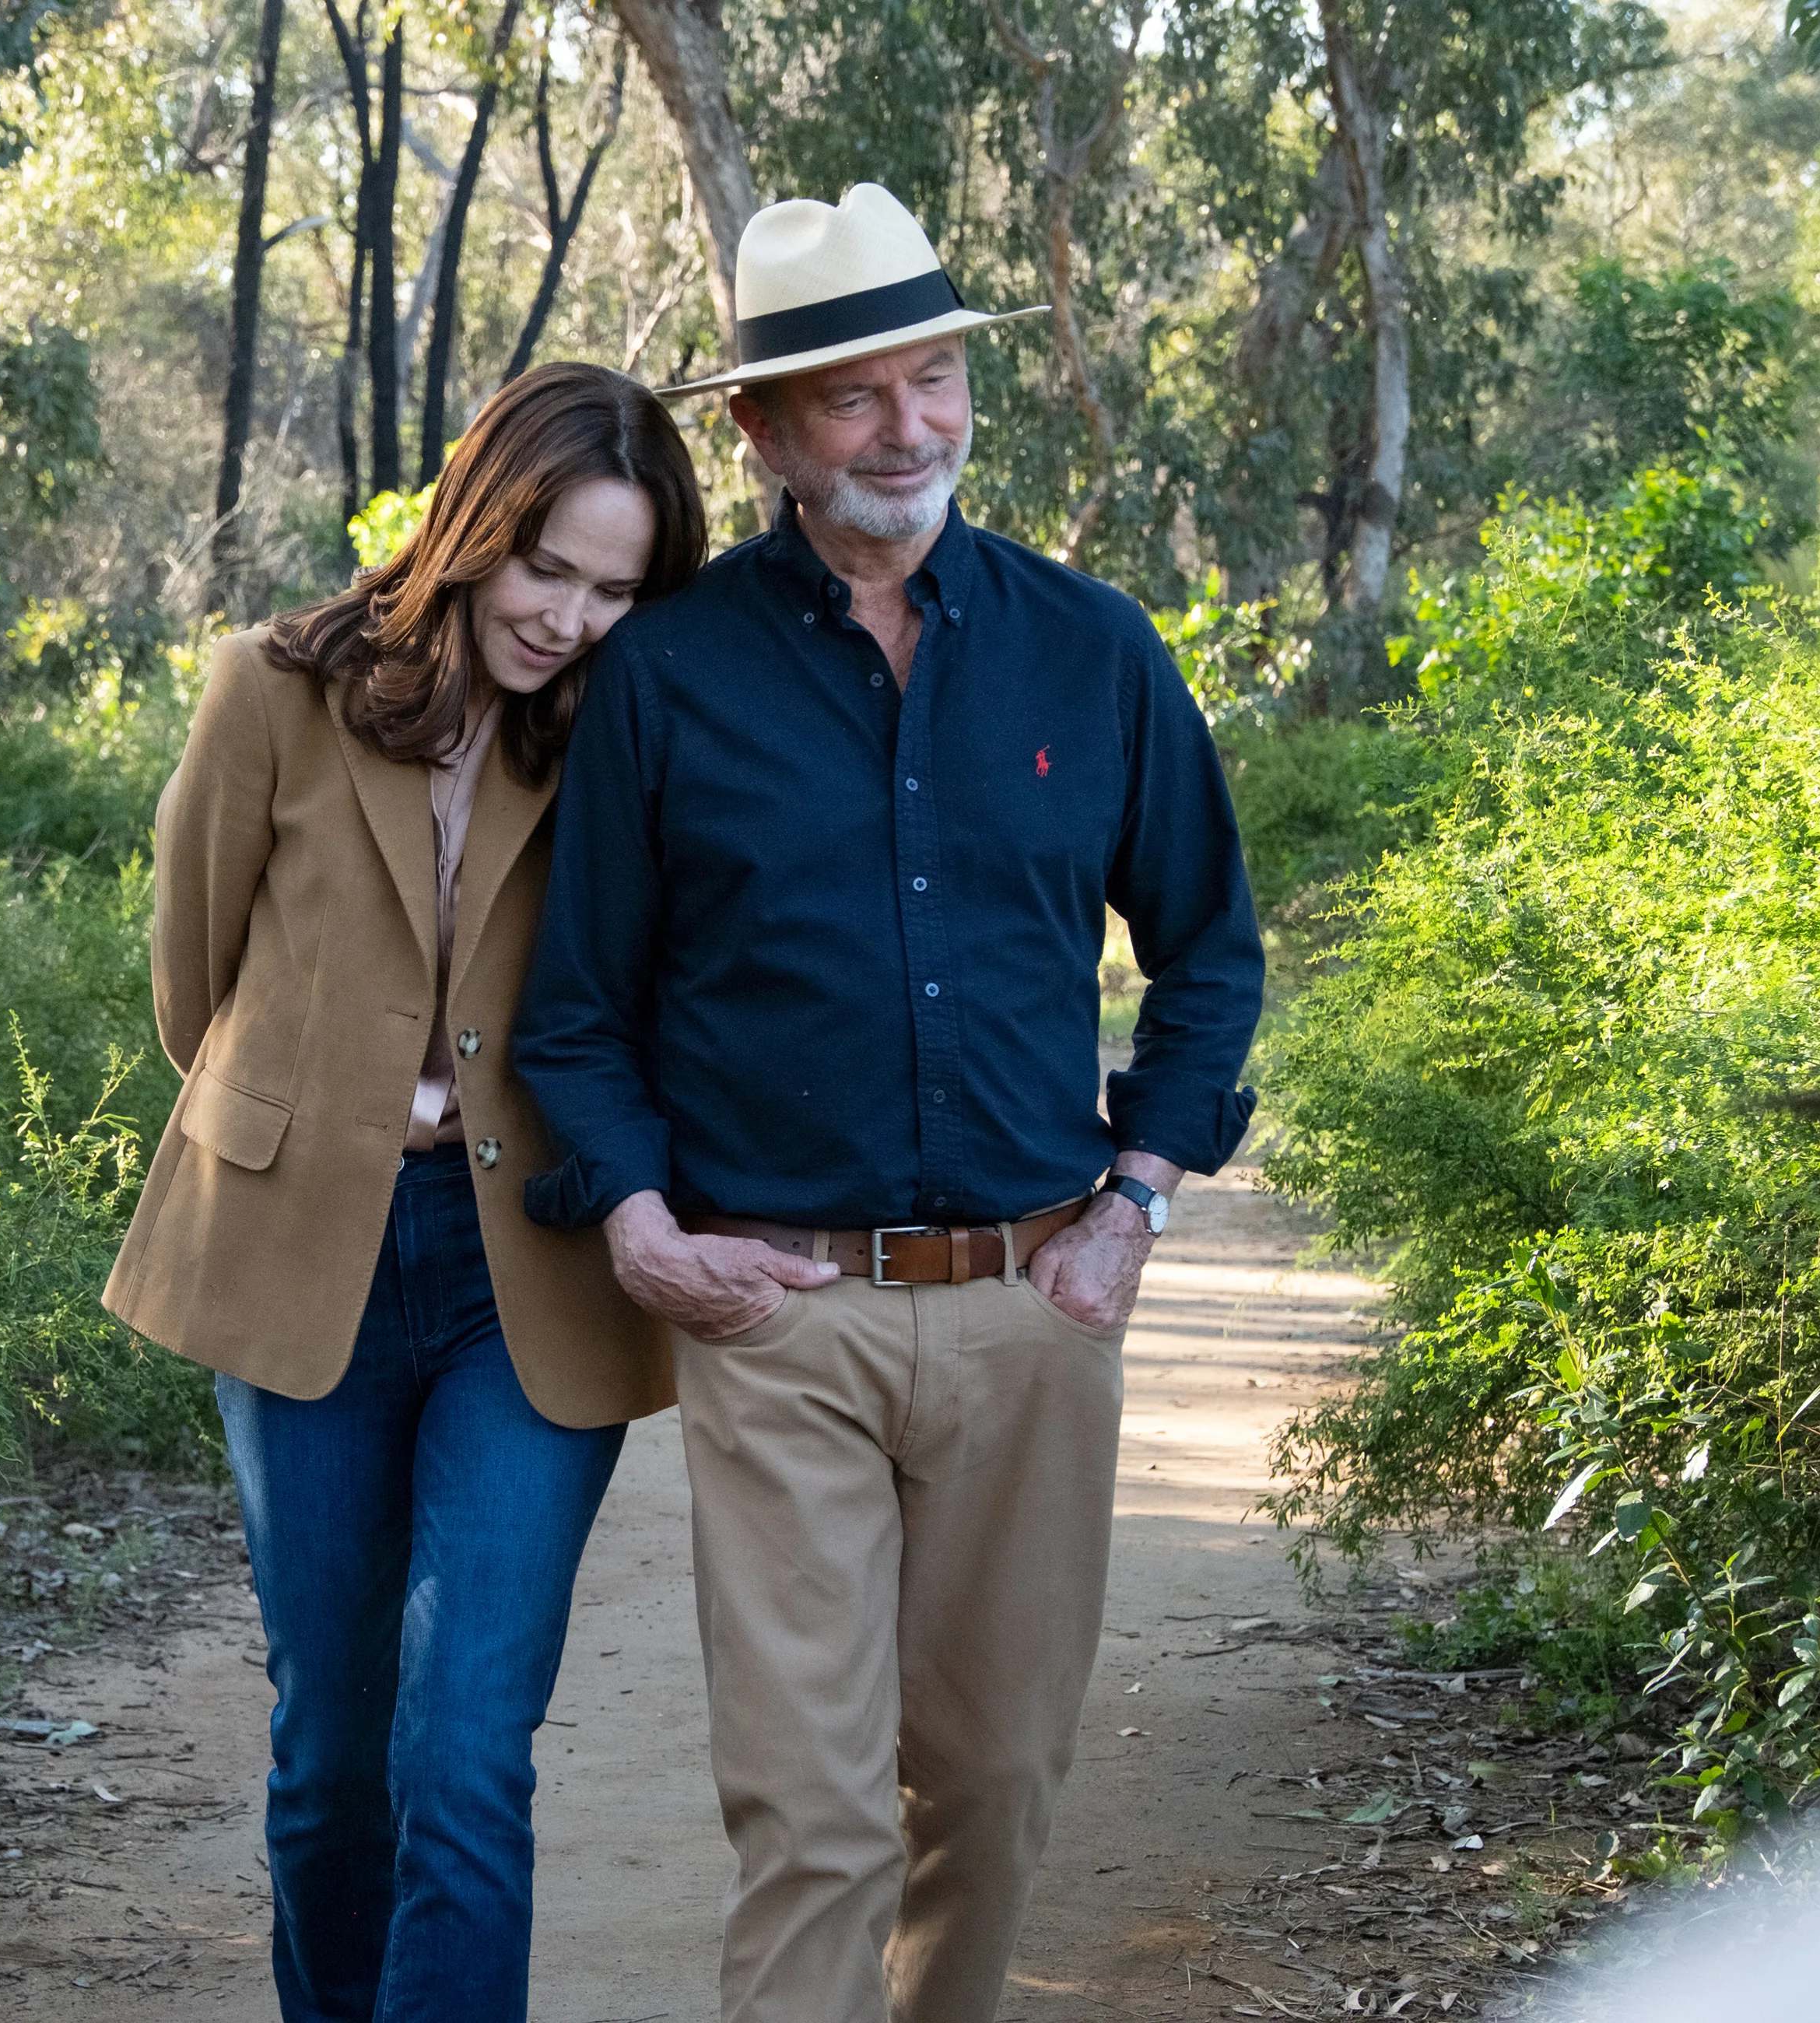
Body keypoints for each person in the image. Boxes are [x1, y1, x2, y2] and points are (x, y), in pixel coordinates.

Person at [511, 185, 1266, 2023]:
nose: (907, 427)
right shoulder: (668, 672)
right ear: (767, 436)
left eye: (934, 380)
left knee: (993, 1790)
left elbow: (1210, 950)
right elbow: (577, 1010)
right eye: (853, 396)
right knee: (815, 1815)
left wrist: (1138, 1200)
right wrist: (639, 1223)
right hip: (781, 1318)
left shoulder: (1091, 648)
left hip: (1034, 1306)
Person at [103, 360, 708, 2023]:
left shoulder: (625, 731)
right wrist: (324, 1123)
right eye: (546, 569)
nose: (571, 619)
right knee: (332, 1751)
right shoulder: (271, 689)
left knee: (466, 1748)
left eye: (614, 590)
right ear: (472, 526)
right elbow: (193, 985)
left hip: (534, 1266)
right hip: (305, 1250)